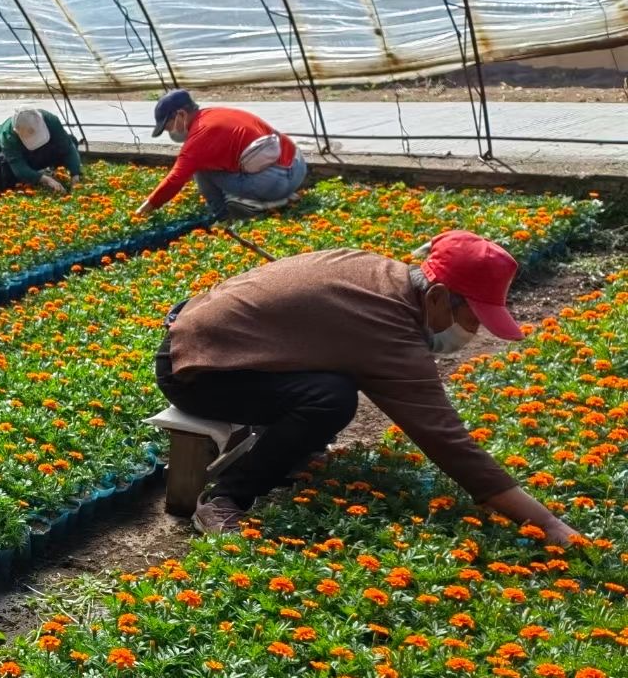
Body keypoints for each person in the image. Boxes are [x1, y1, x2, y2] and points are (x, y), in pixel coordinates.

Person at [155, 230, 578, 542]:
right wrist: (549, 523)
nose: (475, 333)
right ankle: (226, 500)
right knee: (330, 400)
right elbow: (447, 440)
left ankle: (289, 449)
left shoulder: (382, 276)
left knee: (331, 386)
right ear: (437, 297)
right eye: (473, 319)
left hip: (211, 342)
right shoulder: (386, 327)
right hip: (194, 370)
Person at [134, 90, 307, 219]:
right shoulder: (217, 113)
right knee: (215, 162)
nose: (169, 131)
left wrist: (143, 210)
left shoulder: (199, 136)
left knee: (201, 169)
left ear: (181, 114)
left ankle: (225, 215)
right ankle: (281, 198)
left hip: (276, 181)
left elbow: (175, 180)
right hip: (297, 167)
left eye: (168, 126)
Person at [0, 107, 83, 195]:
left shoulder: (51, 120)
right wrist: (46, 179)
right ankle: (6, 188)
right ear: (16, 132)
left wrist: (75, 175)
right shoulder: (8, 135)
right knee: (5, 162)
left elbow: (68, 148)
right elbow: (18, 167)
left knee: (70, 140)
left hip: (29, 153)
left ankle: (44, 174)